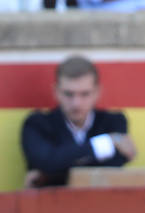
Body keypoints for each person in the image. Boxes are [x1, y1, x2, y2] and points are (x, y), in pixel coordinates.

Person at [21, 56, 134, 189]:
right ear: (56, 92)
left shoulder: (113, 122)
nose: (76, 103)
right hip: (50, 207)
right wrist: (104, 143)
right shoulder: (37, 124)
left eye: (84, 94)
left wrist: (49, 174)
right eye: (69, 94)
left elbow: (114, 165)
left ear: (97, 92)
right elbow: (45, 162)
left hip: (101, 205)